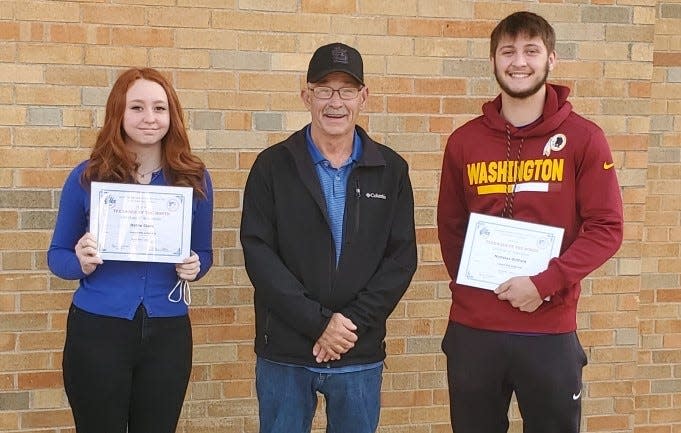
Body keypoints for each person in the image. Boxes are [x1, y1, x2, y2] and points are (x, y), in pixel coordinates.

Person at [437, 11, 624, 433]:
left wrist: (544, 284)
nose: (519, 61)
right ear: (493, 61)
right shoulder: (464, 141)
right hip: (474, 328)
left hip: (549, 330)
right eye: (508, 51)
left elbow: (606, 228)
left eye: (531, 50)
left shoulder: (584, 139)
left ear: (551, 59)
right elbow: (451, 226)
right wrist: (474, 283)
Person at [240, 42, 417, 433]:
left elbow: (401, 259)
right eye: (324, 89)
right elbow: (259, 253)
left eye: (347, 90)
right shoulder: (272, 166)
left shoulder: (391, 170)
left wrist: (346, 325)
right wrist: (317, 323)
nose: (335, 102)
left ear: (363, 97)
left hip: (358, 350)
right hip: (285, 352)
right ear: (306, 95)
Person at [47, 67, 213, 433]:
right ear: (118, 114)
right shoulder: (88, 177)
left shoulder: (194, 177)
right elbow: (56, 255)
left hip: (167, 331)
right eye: (137, 107)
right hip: (98, 329)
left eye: (159, 108)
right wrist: (80, 261)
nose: (150, 118)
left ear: (173, 116)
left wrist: (195, 267)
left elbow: (204, 253)